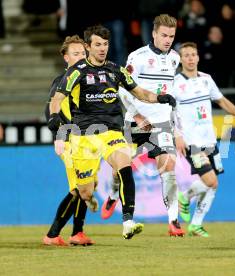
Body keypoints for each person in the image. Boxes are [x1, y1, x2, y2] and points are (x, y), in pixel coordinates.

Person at [48, 25, 176, 239]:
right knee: (84, 192)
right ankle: (85, 204)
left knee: (125, 166)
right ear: (88, 46)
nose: (102, 49)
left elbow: (140, 92)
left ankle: (128, 222)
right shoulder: (76, 71)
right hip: (84, 138)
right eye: (97, 44)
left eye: (105, 44)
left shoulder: (116, 70)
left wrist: (159, 97)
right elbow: (57, 99)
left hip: (112, 133)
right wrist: (54, 117)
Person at [103, 14, 184, 236]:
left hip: (162, 123)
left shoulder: (175, 58)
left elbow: (170, 90)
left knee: (168, 168)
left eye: (172, 36)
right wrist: (138, 116)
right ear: (154, 33)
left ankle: (174, 221)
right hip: (136, 122)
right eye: (164, 35)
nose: (168, 40)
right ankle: (112, 195)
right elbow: (122, 89)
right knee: (120, 169)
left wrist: (176, 126)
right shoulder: (137, 57)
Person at [174, 42, 235, 237]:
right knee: (211, 180)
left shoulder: (206, 80)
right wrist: (178, 135)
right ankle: (185, 197)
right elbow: (168, 111)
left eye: (194, 54)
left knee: (213, 184)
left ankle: (195, 222)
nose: (191, 58)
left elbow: (221, 100)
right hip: (192, 142)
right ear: (181, 59)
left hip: (209, 140)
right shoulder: (175, 83)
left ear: (198, 57)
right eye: (187, 55)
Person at [43, 35, 95, 246]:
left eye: (83, 53)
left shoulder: (88, 79)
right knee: (77, 189)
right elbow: (50, 111)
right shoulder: (62, 81)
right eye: (76, 54)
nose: (81, 57)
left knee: (87, 185)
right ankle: (52, 235)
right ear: (66, 57)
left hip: (88, 140)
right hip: (69, 140)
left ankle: (78, 232)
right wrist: (59, 137)